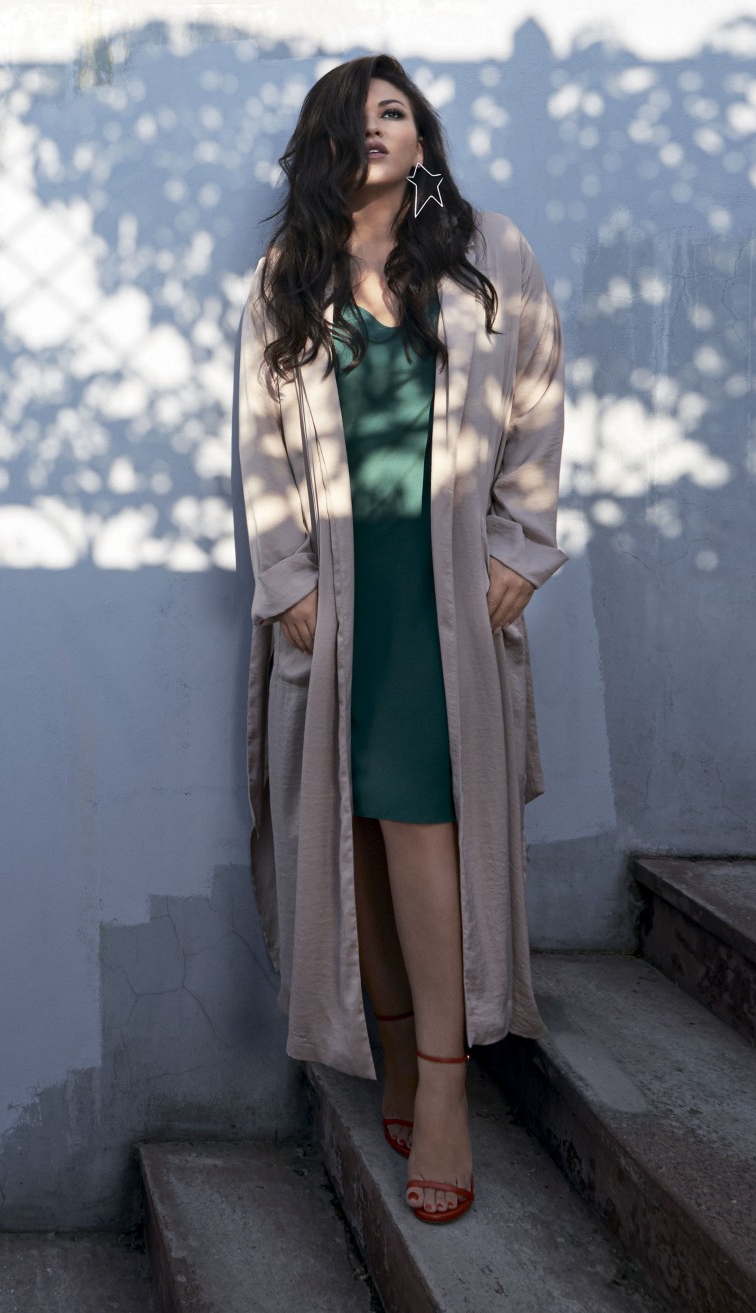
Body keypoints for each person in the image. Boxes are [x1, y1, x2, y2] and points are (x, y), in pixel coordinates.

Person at [234, 54, 568, 1226]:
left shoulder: (488, 254)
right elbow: (257, 440)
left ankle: (442, 1082)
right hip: (339, 595)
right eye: (354, 115)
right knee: (356, 830)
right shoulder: (288, 275)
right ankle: (389, 1043)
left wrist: (518, 547)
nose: (377, 126)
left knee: (420, 821)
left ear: (421, 138)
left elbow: (535, 400)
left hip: (442, 593)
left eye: (396, 110)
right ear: (323, 146)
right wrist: (285, 581)